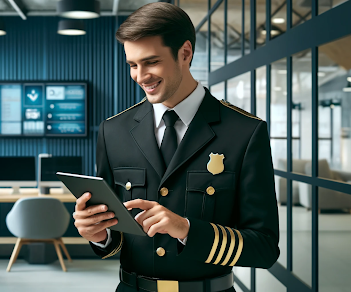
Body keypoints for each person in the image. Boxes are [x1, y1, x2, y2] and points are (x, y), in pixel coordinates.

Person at [72, 2, 280, 292]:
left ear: (185, 53)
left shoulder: (244, 132)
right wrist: (98, 234)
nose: (140, 76)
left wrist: (187, 230)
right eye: (133, 65)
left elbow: (265, 248)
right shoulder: (113, 131)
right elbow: (116, 235)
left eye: (151, 62)